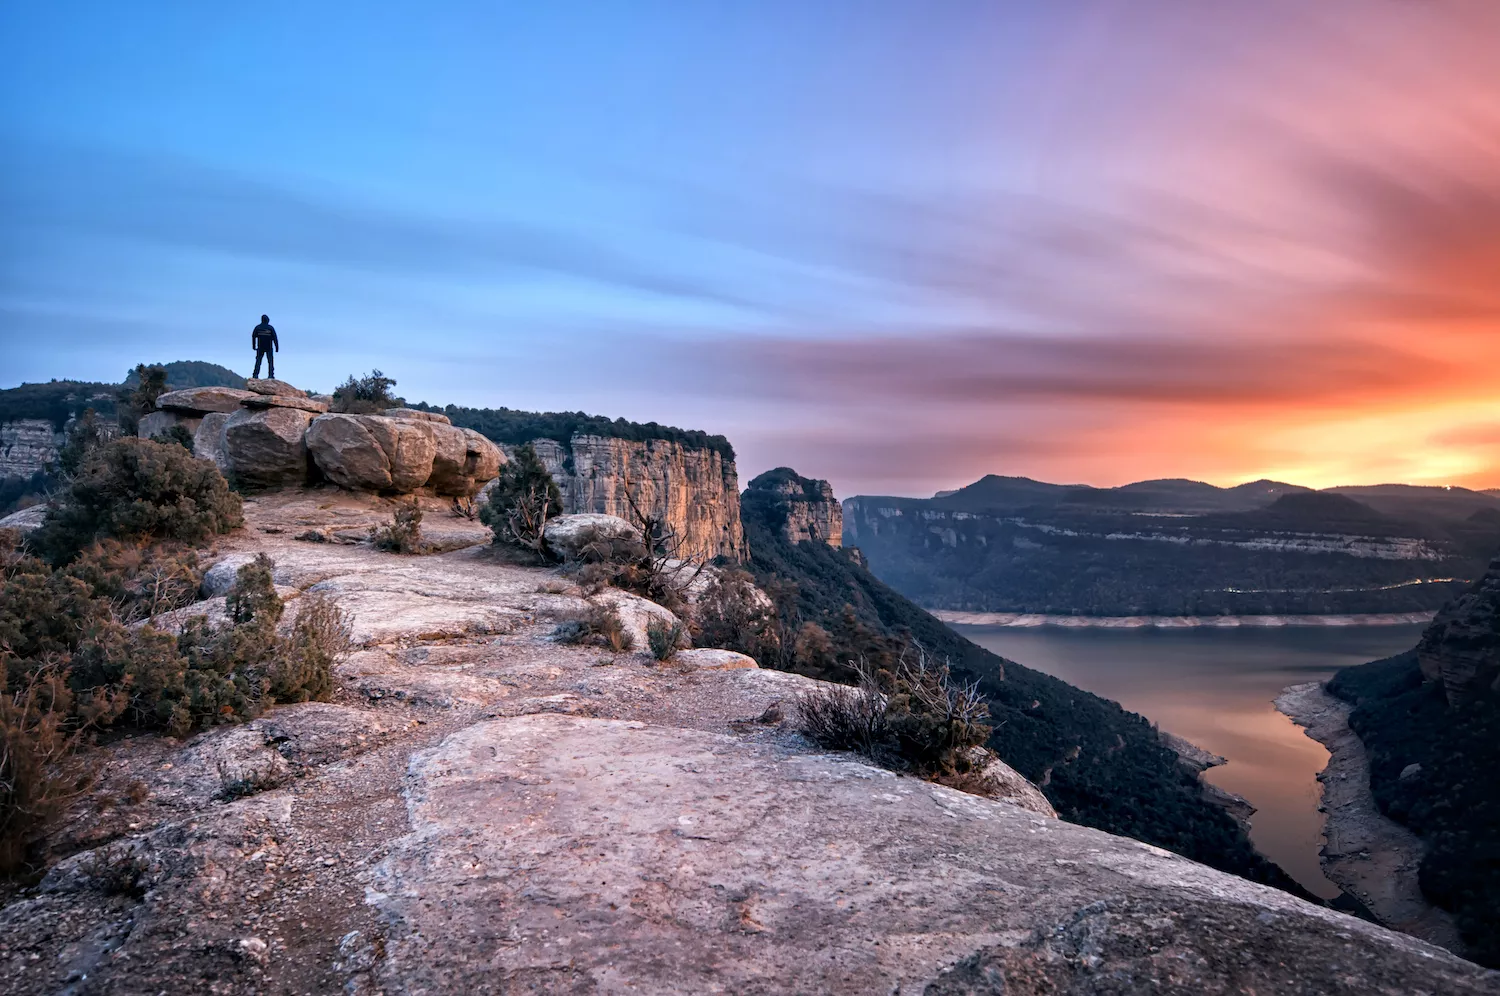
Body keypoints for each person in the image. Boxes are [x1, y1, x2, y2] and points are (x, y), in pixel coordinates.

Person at [252, 314, 279, 378]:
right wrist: (277, 347)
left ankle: (255, 375)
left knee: (258, 361)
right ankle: (271, 375)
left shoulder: (258, 327)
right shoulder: (270, 328)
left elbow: (253, 337)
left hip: (260, 347)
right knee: (270, 362)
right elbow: (275, 338)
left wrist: (253, 346)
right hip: (269, 347)